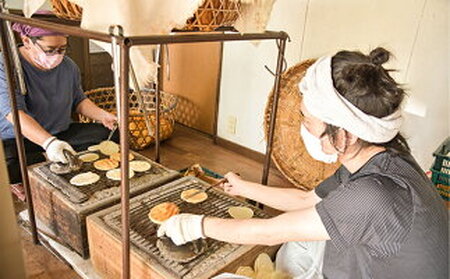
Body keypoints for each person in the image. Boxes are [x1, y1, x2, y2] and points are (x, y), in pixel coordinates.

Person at [158, 48, 448, 278]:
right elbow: (305, 198)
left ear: (344, 134)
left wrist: (195, 225)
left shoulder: (374, 194)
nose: (303, 129)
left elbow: (271, 232)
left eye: (307, 121)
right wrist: (243, 187)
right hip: (370, 263)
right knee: (299, 244)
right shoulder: (380, 156)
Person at [0, 22, 118, 186]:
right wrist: (49, 144)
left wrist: (103, 115)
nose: (57, 55)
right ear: (27, 41)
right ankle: (52, 158)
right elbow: (15, 114)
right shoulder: (5, 66)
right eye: (50, 50)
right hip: (20, 141)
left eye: (62, 49)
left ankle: (57, 159)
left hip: (61, 133)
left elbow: (79, 101)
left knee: (111, 136)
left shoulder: (69, 67)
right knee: (6, 164)